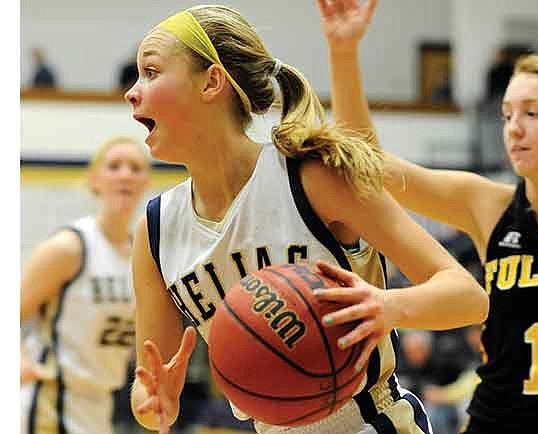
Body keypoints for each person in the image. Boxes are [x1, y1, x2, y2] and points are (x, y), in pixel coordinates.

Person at [124, 5, 489, 434]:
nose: (132, 91)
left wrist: (387, 307)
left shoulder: (311, 177)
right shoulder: (157, 229)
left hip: (369, 422)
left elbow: (467, 295)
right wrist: (152, 402)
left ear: (212, 82)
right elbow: (146, 386)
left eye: (150, 72)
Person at [318, 2, 538, 432]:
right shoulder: (486, 204)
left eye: (532, 113)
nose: (513, 128)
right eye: (507, 114)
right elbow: (368, 166)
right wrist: (343, 52)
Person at [20, 136, 151, 434]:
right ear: (95, 180)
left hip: (101, 401)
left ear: (146, 182)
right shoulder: (70, 246)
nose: (125, 175)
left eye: (135, 168)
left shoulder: (140, 256)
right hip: (50, 398)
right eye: (114, 166)